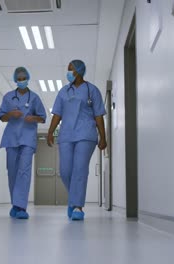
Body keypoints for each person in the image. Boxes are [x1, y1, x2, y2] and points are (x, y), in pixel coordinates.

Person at [47, 59, 107, 221]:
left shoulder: (92, 90)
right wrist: (50, 132)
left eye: (70, 69)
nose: (68, 72)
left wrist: (103, 136)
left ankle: (78, 207)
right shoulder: (63, 92)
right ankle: (74, 200)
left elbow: (99, 115)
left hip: (86, 134)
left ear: (79, 71)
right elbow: (57, 114)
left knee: (79, 169)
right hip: (66, 134)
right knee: (65, 171)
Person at [0, 67, 46, 219]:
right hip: (12, 139)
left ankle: (21, 207)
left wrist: (34, 118)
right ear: (15, 80)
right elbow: (2, 117)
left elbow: (43, 117)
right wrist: (11, 114)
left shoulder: (35, 98)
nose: (21, 80)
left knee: (24, 172)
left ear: (28, 78)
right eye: (19, 78)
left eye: (24, 78)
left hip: (27, 138)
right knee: (12, 172)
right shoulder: (8, 97)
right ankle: (15, 204)